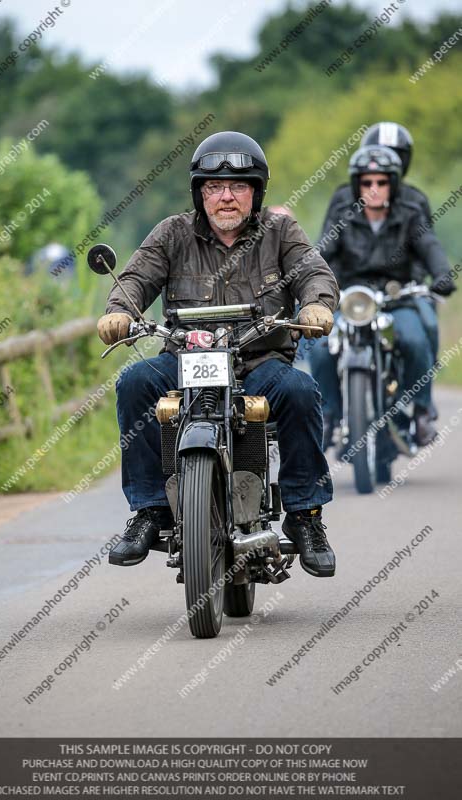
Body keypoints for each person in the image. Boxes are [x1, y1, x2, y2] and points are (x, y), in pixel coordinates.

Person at [96, 131, 340, 578]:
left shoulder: (281, 231)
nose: (226, 196)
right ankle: (150, 510)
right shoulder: (172, 233)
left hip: (258, 362)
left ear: (256, 192)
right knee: (134, 382)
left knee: (302, 391)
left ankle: (305, 516)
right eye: (213, 188)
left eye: (238, 186)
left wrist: (317, 305)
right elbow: (134, 279)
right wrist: (117, 313)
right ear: (199, 193)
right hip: (184, 362)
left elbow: (314, 272)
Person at [310, 144, 455, 450]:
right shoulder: (341, 212)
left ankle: (421, 412)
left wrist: (442, 274)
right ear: (356, 185)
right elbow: (322, 253)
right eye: (366, 182)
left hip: (397, 295)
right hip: (351, 297)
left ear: (393, 183)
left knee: (415, 340)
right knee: (321, 346)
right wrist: (310, 280)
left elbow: (430, 247)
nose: (374, 188)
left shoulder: (410, 213)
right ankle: (329, 414)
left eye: (381, 182)